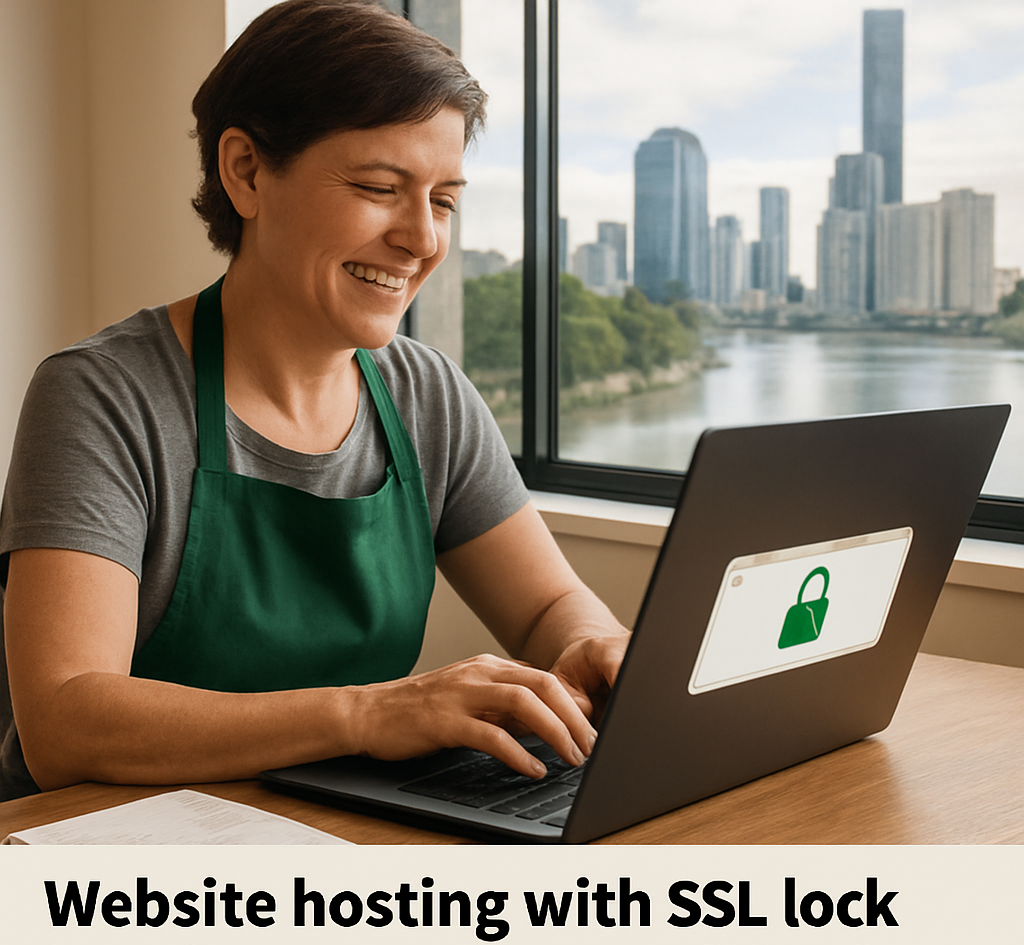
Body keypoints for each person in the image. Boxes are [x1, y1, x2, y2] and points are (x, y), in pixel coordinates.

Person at [0, 0, 627, 803]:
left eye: (442, 200)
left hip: (331, 837)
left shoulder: (428, 394)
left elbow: (547, 605)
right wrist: (368, 715)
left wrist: (591, 642)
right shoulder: (102, 397)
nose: (423, 239)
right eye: (379, 187)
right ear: (247, 172)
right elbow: (63, 722)